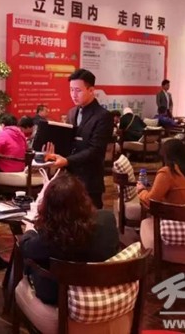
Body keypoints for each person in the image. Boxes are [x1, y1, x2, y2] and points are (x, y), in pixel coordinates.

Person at [20, 174, 118, 304]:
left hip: (59, 298)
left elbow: (25, 247)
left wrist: (30, 230)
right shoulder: (108, 219)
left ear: (49, 206)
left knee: (29, 262)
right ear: (84, 197)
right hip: (103, 290)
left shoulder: (53, 237)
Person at [47, 68, 114, 209]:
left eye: (78, 90)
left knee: (91, 218)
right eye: (71, 90)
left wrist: (67, 160)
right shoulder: (72, 112)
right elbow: (68, 142)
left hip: (90, 180)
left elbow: (95, 150)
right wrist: (55, 152)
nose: (73, 94)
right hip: (69, 178)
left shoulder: (103, 116)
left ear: (91, 90)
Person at [137, 139, 185, 209]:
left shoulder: (167, 172)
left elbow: (151, 201)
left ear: (165, 156)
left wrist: (141, 190)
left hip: (177, 214)